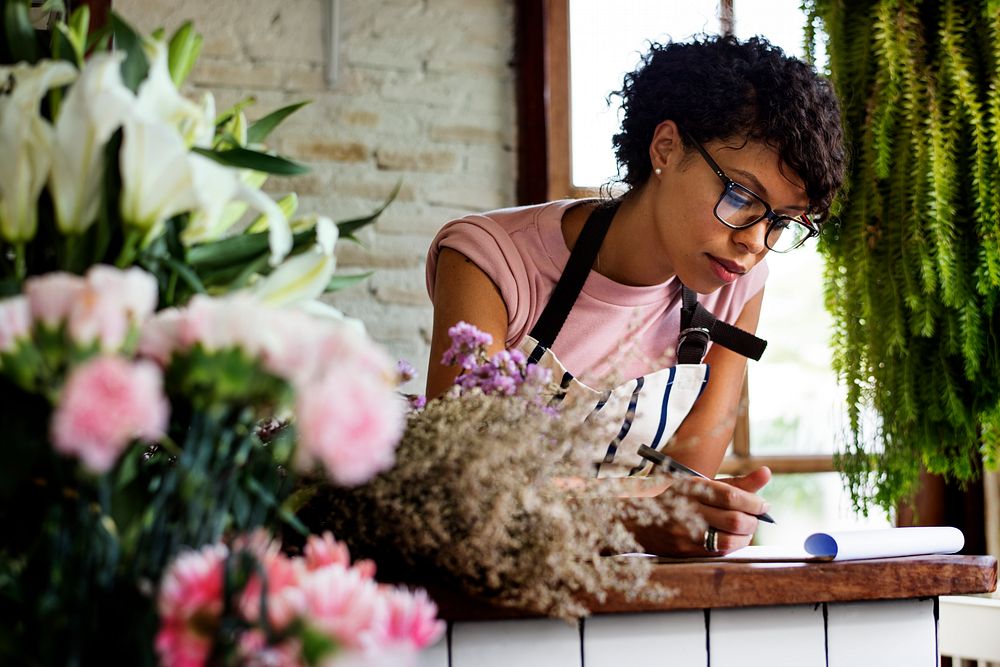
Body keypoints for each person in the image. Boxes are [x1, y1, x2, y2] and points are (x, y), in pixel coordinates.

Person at [423, 35, 846, 556]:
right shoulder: (488, 260)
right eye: (741, 197)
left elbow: (683, 488)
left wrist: (676, 513)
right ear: (666, 147)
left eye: (781, 223)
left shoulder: (738, 283)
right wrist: (629, 514)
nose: (755, 242)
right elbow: (459, 490)